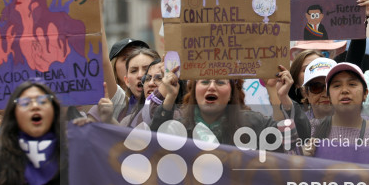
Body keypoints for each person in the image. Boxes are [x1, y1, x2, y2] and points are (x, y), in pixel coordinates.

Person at [150, 67, 311, 146]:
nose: (211, 87)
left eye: (220, 82)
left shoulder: (255, 124)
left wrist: (284, 98)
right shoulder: (177, 126)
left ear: (231, 93)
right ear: (193, 90)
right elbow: (151, 145)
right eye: (205, 81)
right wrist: (169, 97)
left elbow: (300, 138)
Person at [304, 62, 369, 157]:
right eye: (337, 86)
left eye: (352, 84)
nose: (344, 90)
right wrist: (300, 156)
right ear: (329, 96)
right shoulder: (310, 129)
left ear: (365, 93)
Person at [0, 0, 87, 73]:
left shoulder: (49, 27)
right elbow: (6, 66)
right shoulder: (12, 32)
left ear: (34, 4)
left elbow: (59, 61)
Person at [88, 46, 160, 124]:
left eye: (147, 69)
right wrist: (109, 119)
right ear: (127, 81)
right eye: (134, 71)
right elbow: (104, 62)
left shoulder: (170, 108)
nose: (140, 75)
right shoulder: (125, 116)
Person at [299, 57, 337, 127]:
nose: (325, 94)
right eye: (316, 87)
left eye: (331, 86)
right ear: (306, 93)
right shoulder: (297, 125)